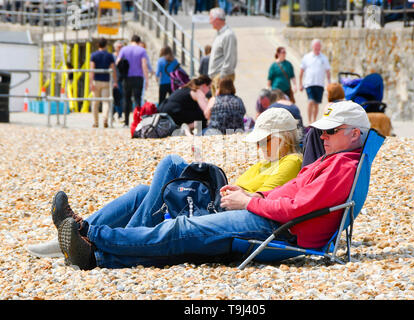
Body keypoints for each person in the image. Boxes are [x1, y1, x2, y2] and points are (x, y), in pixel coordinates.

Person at [48, 101, 371, 270]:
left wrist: (249, 202)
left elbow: (296, 208)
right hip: (268, 218)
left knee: (179, 231)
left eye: (332, 131)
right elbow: (287, 195)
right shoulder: (333, 162)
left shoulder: (342, 167)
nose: (324, 137)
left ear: (355, 134)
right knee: (178, 234)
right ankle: (94, 253)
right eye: (323, 131)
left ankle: (91, 235)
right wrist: (255, 196)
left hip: (277, 230)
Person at [28, 108, 303, 262]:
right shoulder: (265, 162)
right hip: (219, 205)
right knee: (141, 192)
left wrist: (238, 192)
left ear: (283, 138)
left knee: (171, 163)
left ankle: (105, 241)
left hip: (224, 215)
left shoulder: (290, 160)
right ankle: (71, 235)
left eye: (264, 140)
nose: (259, 147)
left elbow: (260, 198)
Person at [116, 35, 150, 127]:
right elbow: (144, 65)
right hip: (138, 77)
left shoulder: (124, 49)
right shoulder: (142, 50)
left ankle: (126, 122)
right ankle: (138, 121)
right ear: (139, 42)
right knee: (137, 100)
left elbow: (118, 62)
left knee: (127, 99)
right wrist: (146, 79)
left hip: (127, 78)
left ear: (131, 41)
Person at [299, 39, 331, 124]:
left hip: (319, 84)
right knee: (310, 101)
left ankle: (314, 120)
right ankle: (309, 121)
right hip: (309, 83)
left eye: (319, 46)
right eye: (316, 46)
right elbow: (301, 71)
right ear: (312, 47)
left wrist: (329, 83)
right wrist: (300, 83)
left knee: (316, 104)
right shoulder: (307, 57)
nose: (317, 48)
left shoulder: (324, 58)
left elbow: (328, 71)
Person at [208, 7, 237, 96]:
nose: (210, 22)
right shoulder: (220, 34)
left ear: (217, 20)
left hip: (222, 79)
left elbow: (230, 59)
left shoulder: (228, 35)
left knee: (222, 107)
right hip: (216, 78)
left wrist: (221, 78)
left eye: (211, 19)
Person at [89, 37, 118, 128]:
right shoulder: (109, 56)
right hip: (106, 81)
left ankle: (96, 122)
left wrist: (90, 82)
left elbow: (91, 69)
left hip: (96, 80)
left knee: (95, 102)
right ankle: (105, 119)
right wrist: (115, 81)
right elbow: (113, 69)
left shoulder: (94, 55)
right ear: (106, 45)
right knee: (106, 102)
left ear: (98, 45)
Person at [138, 41, 154, 107]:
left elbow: (148, 65)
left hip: (142, 76)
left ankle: (140, 108)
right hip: (137, 76)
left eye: (143, 47)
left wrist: (152, 72)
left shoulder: (145, 55)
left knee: (142, 93)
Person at [112, 40, 124, 121]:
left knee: (120, 97)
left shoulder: (124, 57)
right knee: (114, 97)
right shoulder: (112, 56)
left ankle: (119, 114)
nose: (120, 48)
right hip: (113, 79)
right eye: (118, 47)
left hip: (122, 79)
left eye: (121, 47)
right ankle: (112, 114)